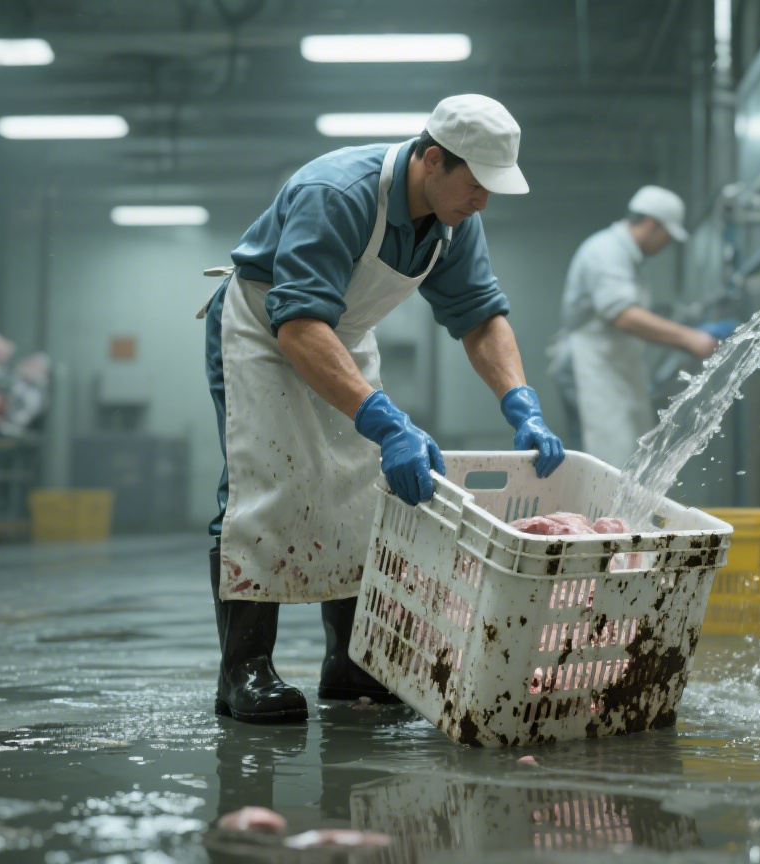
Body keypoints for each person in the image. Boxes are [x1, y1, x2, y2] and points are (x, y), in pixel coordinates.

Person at [200, 94, 565, 725]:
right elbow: (298, 325)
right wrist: (388, 422)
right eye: (475, 183)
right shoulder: (338, 192)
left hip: (337, 333)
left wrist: (520, 402)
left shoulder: (454, 220)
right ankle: (244, 672)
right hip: (265, 330)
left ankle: (351, 663)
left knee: (364, 492)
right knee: (270, 485)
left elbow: (479, 316)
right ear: (430, 159)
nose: (482, 200)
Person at [554, 186, 736, 468]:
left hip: (612, 368)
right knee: (602, 461)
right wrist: (690, 338)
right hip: (590, 367)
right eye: (667, 236)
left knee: (625, 457)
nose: (665, 244)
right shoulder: (605, 250)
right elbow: (623, 316)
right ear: (652, 224)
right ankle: (591, 514)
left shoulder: (629, 259)